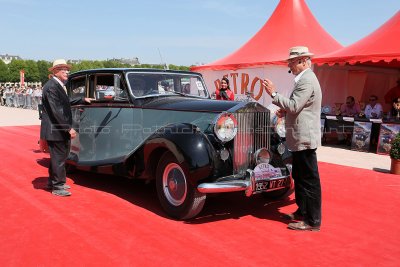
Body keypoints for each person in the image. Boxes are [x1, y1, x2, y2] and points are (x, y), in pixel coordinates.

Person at [263, 46, 322, 231]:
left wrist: (273, 94)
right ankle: (302, 212)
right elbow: (297, 107)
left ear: (303, 61)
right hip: (300, 138)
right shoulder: (305, 79)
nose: (289, 64)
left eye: (292, 61)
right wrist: (285, 110)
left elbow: (295, 106)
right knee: (300, 176)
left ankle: (312, 220)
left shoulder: (306, 80)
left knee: (308, 180)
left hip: (304, 138)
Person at [40, 59, 92, 197]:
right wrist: (68, 128)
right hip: (56, 129)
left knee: (57, 158)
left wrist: (81, 99)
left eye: (67, 69)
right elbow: (56, 110)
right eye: (64, 69)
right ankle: (58, 187)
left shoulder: (56, 85)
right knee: (59, 158)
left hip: (56, 128)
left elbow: (65, 101)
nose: (67, 72)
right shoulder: (51, 86)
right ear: (56, 71)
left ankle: (53, 182)